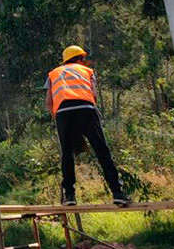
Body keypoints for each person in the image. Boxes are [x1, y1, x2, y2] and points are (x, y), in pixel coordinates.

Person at [44, 45, 132, 206]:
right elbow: (94, 95)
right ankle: (117, 192)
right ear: (79, 59)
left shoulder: (53, 74)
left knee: (67, 153)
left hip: (63, 112)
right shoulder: (87, 72)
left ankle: (69, 196)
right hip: (86, 108)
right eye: (83, 59)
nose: (85, 62)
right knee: (102, 150)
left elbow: (49, 101)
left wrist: (59, 118)